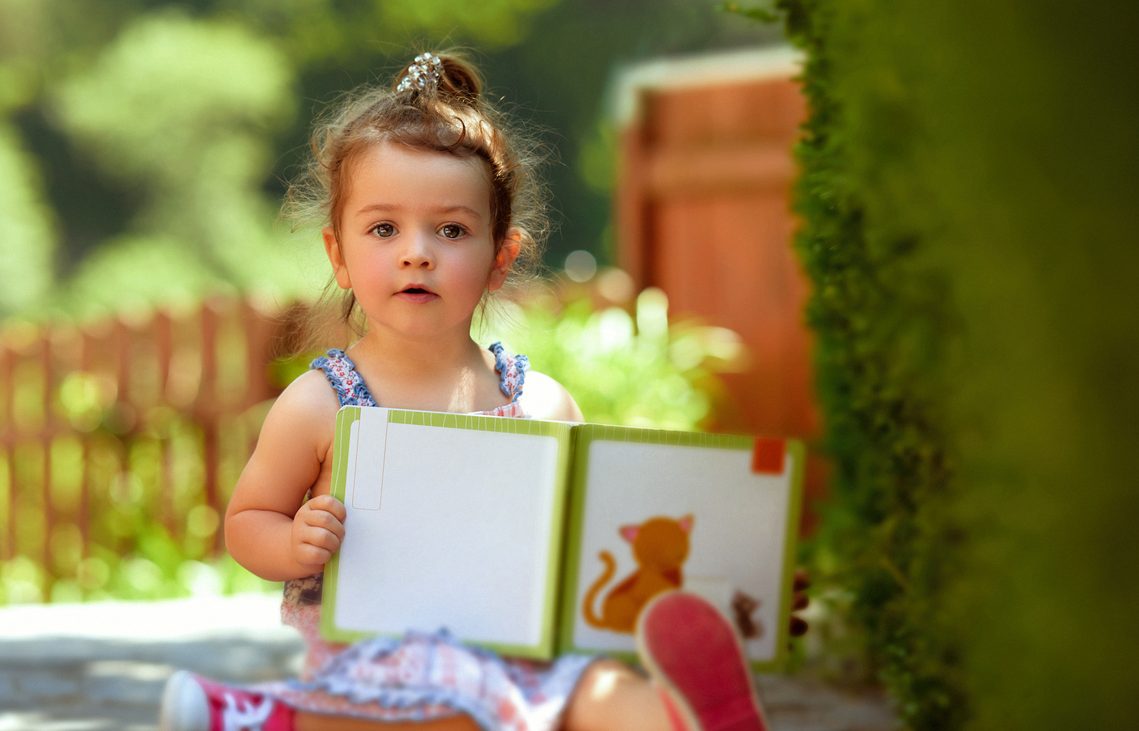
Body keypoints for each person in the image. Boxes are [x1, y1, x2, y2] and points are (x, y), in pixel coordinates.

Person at [159, 51, 791, 731]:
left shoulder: (542, 405)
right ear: (337, 255)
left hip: (517, 650)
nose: (416, 252)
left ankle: (688, 716)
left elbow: (599, 547)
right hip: (382, 656)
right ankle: (271, 719)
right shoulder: (323, 404)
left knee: (597, 685)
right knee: (435, 706)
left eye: (451, 229)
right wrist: (292, 544)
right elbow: (249, 520)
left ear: (500, 258)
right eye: (382, 228)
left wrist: (745, 590)